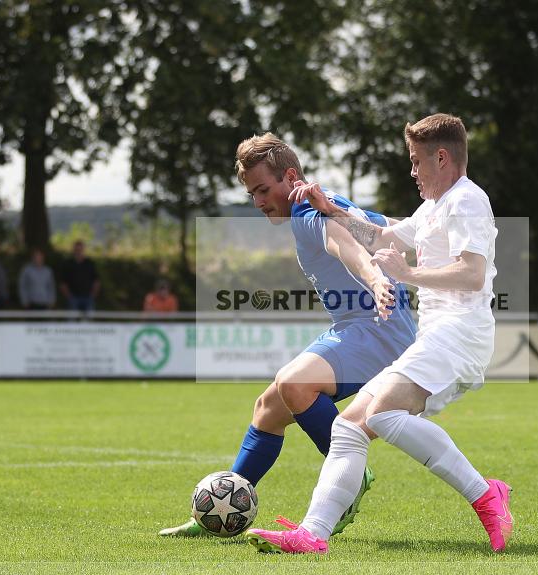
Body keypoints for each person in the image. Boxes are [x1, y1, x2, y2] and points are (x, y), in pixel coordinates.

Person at [246, 114, 513, 554]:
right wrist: (333, 210)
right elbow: (379, 233)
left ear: (441, 157)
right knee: (349, 427)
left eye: (415, 161)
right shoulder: (433, 207)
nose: (411, 172)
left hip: (461, 334)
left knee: (382, 416)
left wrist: (409, 272)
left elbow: (472, 273)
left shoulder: (467, 201)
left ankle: (487, 495)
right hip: (438, 336)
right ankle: (311, 535)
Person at [158, 133, 417, 537]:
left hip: (380, 332)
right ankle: (216, 514)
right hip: (361, 328)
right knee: (268, 407)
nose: (259, 202)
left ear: (290, 177)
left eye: (263, 189)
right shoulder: (323, 200)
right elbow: (386, 227)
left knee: (295, 384)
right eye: (251, 194)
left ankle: (350, 475)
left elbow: (342, 244)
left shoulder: (308, 213)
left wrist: (373, 278)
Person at [59, 240, 100, 312]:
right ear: (73, 250)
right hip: (73, 297)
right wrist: (68, 296)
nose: (78, 252)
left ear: (83, 250)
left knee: (89, 320)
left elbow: (96, 280)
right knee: (71, 321)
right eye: (76, 250)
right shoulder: (68, 264)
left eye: (80, 250)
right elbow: (63, 282)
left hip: (88, 297)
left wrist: (93, 295)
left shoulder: (89, 263)